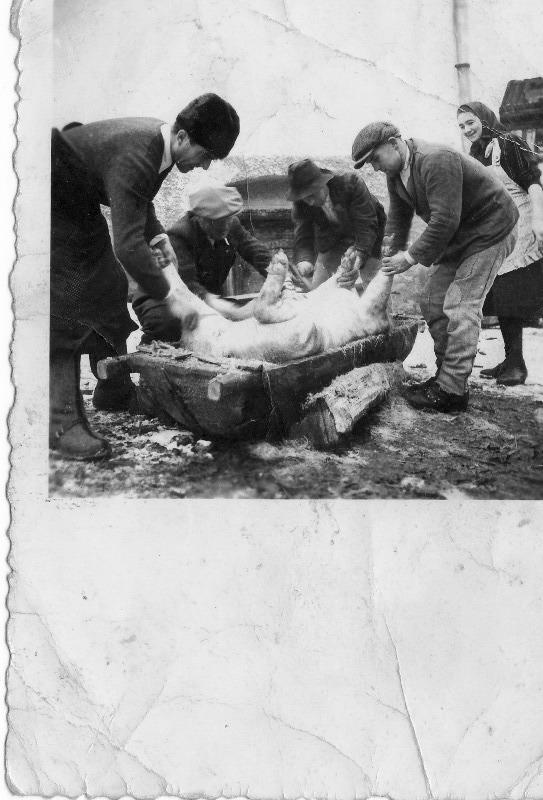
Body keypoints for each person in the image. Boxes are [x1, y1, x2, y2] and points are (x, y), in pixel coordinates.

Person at [50, 93, 240, 460]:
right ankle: (61, 425)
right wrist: (169, 296)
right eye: (205, 155)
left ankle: (114, 388)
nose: (204, 166)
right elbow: (127, 247)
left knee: (109, 287)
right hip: (50, 200)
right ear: (182, 137)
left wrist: (157, 236)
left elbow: (139, 200)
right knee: (67, 305)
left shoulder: (162, 149)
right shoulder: (140, 153)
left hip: (77, 203)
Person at [351, 121, 519, 413]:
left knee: (460, 305)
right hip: (460, 236)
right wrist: (390, 247)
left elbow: (445, 220)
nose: (375, 168)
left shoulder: (436, 159)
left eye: (375, 159)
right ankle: (446, 377)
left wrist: (409, 257)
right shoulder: (396, 173)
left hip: (491, 229)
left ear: (394, 143)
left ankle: (452, 391)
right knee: (432, 300)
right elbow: (399, 215)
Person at [457, 101, 543, 385]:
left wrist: (539, 220)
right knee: (502, 293)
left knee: (512, 293)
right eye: (461, 126)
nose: (467, 129)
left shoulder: (508, 143)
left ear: (484, 119)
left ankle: (517, 365)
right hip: (500, 228)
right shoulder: (476, 152)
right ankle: (510, 359)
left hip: (522, 222)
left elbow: (533, 183)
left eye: (471, 122)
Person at [132, 183, 272, 343]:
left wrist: (279, 273)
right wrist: (227, 309)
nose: (225, 225)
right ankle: (152, 348)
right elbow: (188, 285)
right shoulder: (180, 236)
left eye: (228, 219)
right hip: (163, 299)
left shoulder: (229, 223)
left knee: (243, 319)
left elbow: (253, 249)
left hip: (203, 297)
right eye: (217, 221)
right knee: (170, 323)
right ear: (200, 218)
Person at [287, 158, 386, 292]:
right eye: (305, 198)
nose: (310, 202)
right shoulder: (301, 202)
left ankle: (376, 301)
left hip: (369, 233)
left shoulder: (351, 183)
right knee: (319, 288)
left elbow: (366, 225)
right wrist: (304, 261)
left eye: (311, 195)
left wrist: (358, 259)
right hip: (333, 237)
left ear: (322, 184)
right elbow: (303, 234)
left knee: (373, 284)